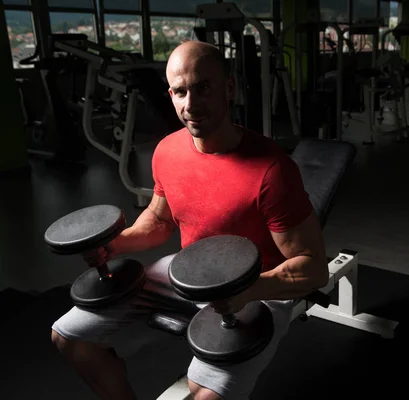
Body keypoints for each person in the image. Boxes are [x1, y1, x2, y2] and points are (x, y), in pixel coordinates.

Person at [50, 41, 329, 400]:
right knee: (69, 337)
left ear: (229, 88)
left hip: (256, 290)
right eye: (181, 92)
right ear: (170, 94)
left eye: (203, 88)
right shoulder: (167, 151)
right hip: (185, 272)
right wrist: (113, 245)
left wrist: (250, 289)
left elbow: (313, 270)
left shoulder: (272, 170)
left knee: (204, 393)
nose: (191, 104)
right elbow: (158, 221)